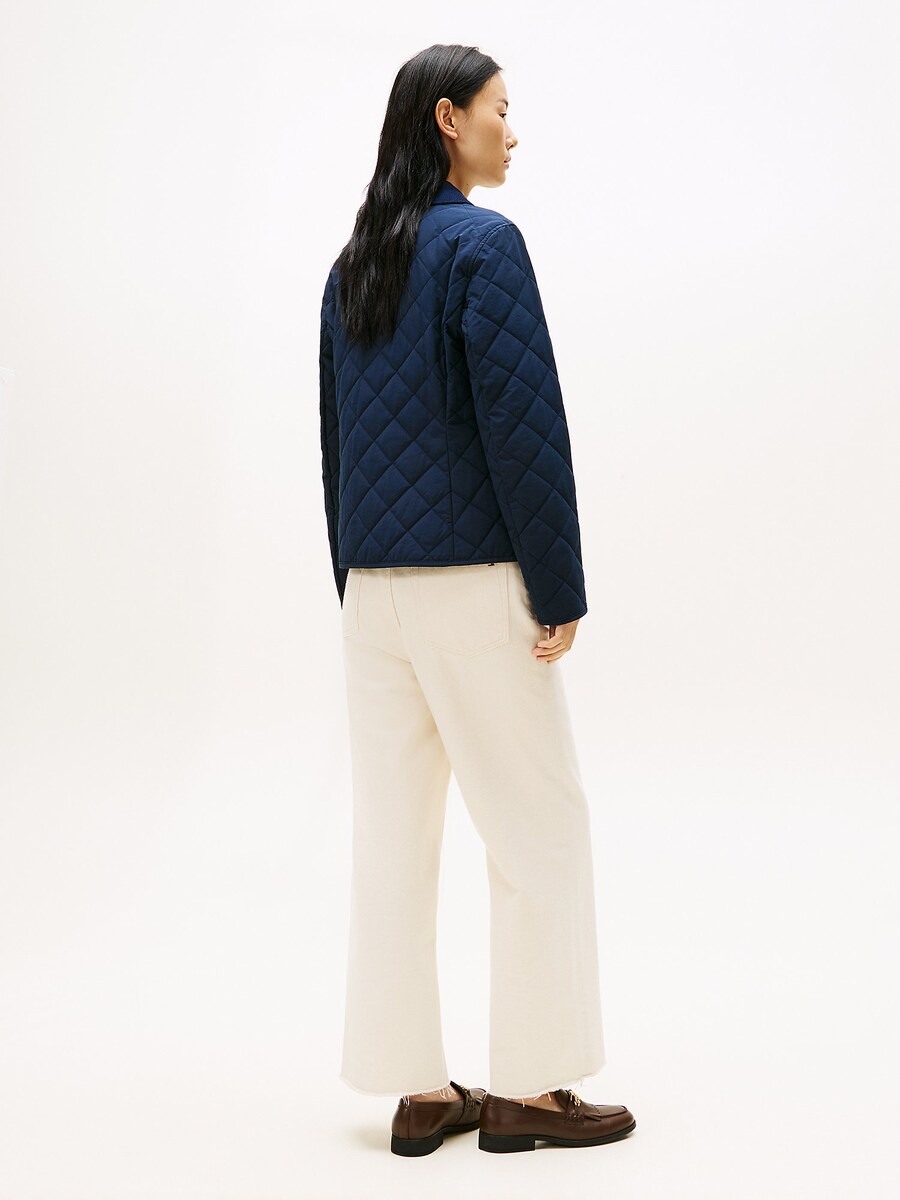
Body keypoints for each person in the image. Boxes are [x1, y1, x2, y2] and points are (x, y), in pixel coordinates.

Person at [319, 43, 636, 1156]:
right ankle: (530, 1090)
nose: (515, 128)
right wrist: (559, 586)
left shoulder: (354, 263)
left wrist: (355, 578)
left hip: (375, 595)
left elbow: (337, 442)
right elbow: (524, 430)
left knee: (392, 845)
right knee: (541, 829)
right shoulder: (484, 247)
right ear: (448, 118)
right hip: (470, 585)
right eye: (502, 108)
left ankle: (415, 1091)